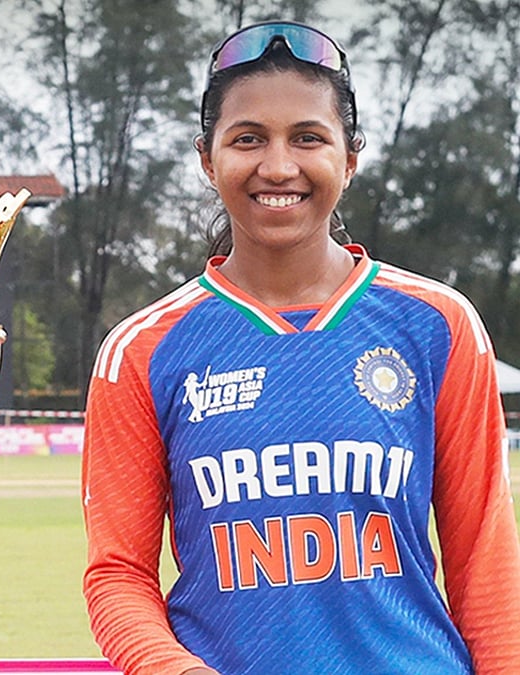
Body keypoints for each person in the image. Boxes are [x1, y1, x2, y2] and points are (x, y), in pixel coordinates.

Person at [82, 21, 520, 675]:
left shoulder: (438, 324)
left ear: (349, 157)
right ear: (208, 159)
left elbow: (487, 561)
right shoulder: (143, 349)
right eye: (248, 139)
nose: (278, 166)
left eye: (308, 138)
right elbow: (117, 575)